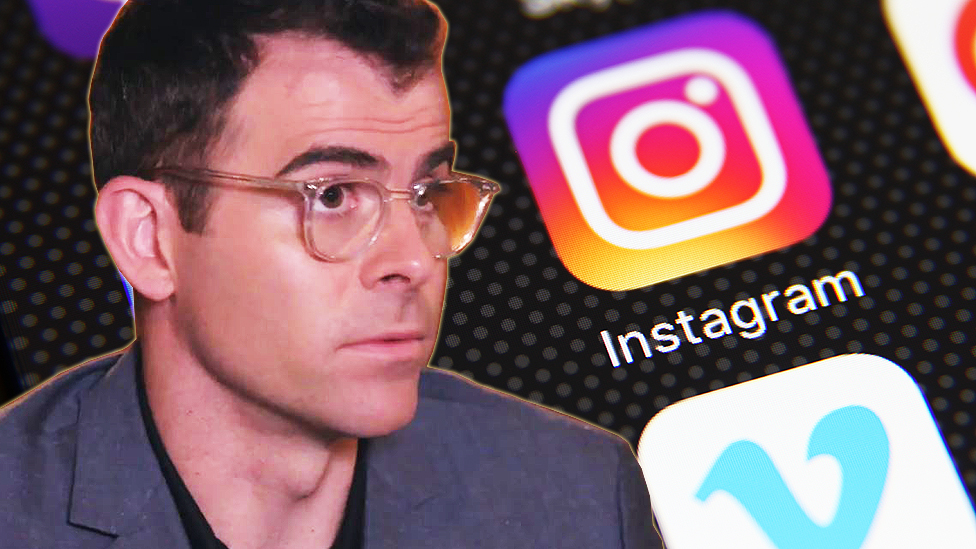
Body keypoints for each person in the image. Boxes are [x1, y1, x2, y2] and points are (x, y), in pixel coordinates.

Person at [0, 0, 661, 547]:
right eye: (333, 196)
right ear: (147, 238)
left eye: (427, 193)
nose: (413, 261)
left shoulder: (574, 497)